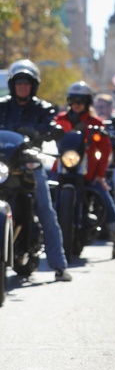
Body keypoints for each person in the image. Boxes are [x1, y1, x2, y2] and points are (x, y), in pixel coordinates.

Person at [0, 60, 73, 281]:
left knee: (45, 208)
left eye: (27, 83)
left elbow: (53, 126)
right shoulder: (2, 105)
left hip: (29, 162)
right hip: (4, 162)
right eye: (19, 82)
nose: (23, 86)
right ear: (13, 85)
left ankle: (59, 266)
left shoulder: (43, 108)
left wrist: (39, 130)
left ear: (33, 86)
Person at [55, 82, 115, 259]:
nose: (77, 104)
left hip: (87, 173)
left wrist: (99, 175)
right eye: (74, 100)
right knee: (40, 194)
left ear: (88, 102)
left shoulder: (95, 123)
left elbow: (106, 150)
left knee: (104, 196)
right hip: (62, 171)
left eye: (81, 100)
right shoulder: (59, 120)